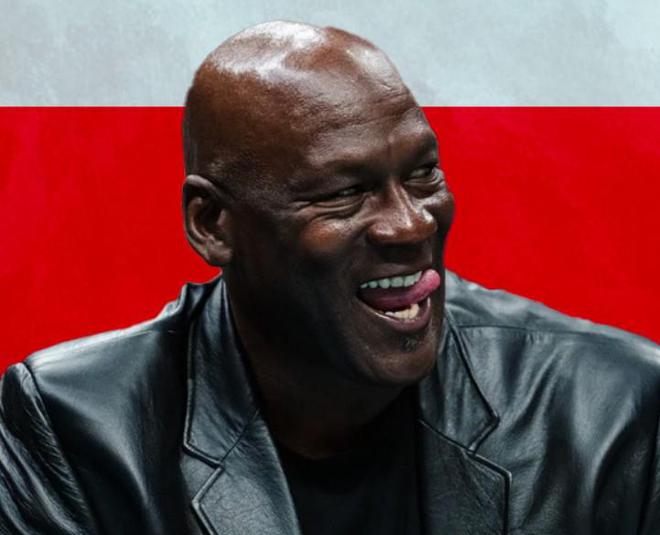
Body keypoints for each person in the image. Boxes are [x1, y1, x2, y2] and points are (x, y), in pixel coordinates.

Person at [0, 21, 658, 535]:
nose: (411, 224)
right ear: (212, 223)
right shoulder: (76, 426)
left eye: (423, 175)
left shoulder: (607, 409)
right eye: (345, 193)